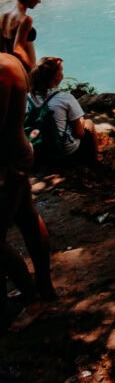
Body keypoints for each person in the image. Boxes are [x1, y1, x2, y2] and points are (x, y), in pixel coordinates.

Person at [0, 53, 55, 317]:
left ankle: (33, 301)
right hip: (18, 154)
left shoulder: (2, 69)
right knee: (27, 217)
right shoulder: (9, 61)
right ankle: (43, 285)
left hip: (7, 162)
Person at [26, 57, 101, 167]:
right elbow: (80, 133)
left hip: (36, 152)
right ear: (56, 76)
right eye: (61, 70)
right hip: (63, 153)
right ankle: (95, 162)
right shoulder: (65, 98)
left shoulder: (26, 98)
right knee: (89, 123)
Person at [0, 0, 43, 73]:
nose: (39, 1)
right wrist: (32, 71)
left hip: (11, 66)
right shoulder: (25, 20)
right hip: (23, 69)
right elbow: (18, 50)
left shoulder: (3, 16)